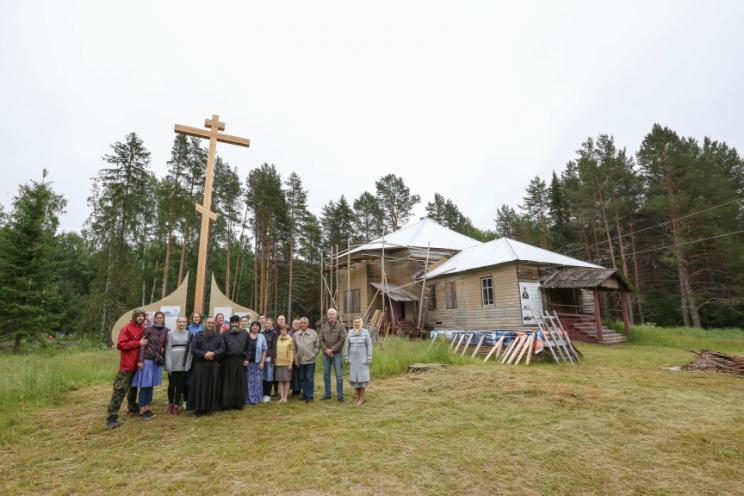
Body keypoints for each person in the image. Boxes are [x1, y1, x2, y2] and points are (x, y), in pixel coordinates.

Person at [106, 309, 147, 429]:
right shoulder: (126, 328)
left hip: (138, 365)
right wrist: (138, 343)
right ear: (134, 317)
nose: (140, 318)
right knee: (120, 390)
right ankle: (111, 416)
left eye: (142, 316)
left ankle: (132, 407)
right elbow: (121, 345)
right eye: (138, 316)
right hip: (127, 365)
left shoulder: (142, 329)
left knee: (133, 387)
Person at [131, 311, 169, 419]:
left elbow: (164, 346)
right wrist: (140, 361)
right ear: (154, 319)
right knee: (145, 385)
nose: (159, 319)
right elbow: (142, 346)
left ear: (163, 319)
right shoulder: (148, 329)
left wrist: (163, 358)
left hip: (156, 361)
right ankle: (141, 410)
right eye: (158, 318)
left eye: (161, 318)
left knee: (151, 385)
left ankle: (147, 408)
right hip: (147, 360)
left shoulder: (165, 330)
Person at [190, 317, 225, 416]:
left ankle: (209, 408)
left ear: (215, 325)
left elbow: (222, 348)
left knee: (211, 385)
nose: (210, 324)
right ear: (205, 324)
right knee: (199, 386)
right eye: (209, 323)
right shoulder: (198, 335)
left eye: (212, 323)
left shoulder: (219, 336)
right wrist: (204, 354)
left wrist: (213, 353)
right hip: (200, 364)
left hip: (213, 364)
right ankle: (199, 408)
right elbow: (193, 349)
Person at [220, 315, 249, 410]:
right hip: (228, 361)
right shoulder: (225, 334)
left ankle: (238, 404)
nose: (234, 324)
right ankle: (227, 404)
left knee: (239, 382)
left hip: (241, 361)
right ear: (230, 323)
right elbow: (222, 348)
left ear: (239, 323)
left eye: (236, 322)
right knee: (228, 383)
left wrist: (247, 359)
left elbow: (249, 348)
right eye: (232, 323)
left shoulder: (245, 333)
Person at [165, 316, 192, 415]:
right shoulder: (170, 334)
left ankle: (176, 405)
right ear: (177, 322)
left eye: (184, 322)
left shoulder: (189, 334)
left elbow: (190, 351)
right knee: (171, 385)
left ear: (186, 323)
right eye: (180, 321)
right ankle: (170, 404)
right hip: (172, 364)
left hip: (183, 365)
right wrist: (168, 364)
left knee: (180, 385)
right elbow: (168, 350)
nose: (181, 323)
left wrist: (187, 364)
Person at [344, 316, 373, 406]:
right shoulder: (350, 332)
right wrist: (347, 357)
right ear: (353, 323)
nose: (356, 323)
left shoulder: (365, 332)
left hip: (363, 360)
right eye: (355, 322)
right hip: (353, 360)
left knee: (362, 379)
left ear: (361, 323)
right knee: (355, 379)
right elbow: (347, 346)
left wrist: (369, 357)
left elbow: (369, 345)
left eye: (358, 322)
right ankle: (357, 398)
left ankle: (361, 399)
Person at [319, 308, 347, 402]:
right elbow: (321, 339)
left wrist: (332, 350)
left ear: (336, 315)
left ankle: (340, 395)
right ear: (327, 315)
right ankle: (327, 394)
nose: (331, 316)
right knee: (326, 375)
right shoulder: (323, 326)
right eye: (329, 314)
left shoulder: (340, 326)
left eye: (333, 314)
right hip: (326, 354)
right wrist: (326, 350)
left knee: (339, 376)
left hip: (337, 354)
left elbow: (342, 339)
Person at [294, 317, 319, 403]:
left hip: (310, 360)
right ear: (300, 324)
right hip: (300, 360)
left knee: (309, 378)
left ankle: (310, 396)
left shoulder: (313, 333)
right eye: (301, 323)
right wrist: (295, 357)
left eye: (305, 323)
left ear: (308, 324)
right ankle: (304, 395)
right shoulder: (296, 334)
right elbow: (294, 347)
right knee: (302, 378)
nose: (303, 324)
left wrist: (314, 354)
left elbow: (317, 345)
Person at [245, 321, 267, 405]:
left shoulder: (262, 336)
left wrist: (262, 362)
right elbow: (244, 349)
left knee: (257, 382)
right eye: (253, 326)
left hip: (257, 363)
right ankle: (248, 399)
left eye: (257, 326)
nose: (255, 327)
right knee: (248, 382)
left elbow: (264, 350)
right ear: (251, 327)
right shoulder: (247, 336)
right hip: (248, 363)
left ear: (259, 328)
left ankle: (256, 399)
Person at [274, 322, 294, 403]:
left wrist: (290, 363)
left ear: (287, 331)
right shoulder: (278, 338)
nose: (283, 331)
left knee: (287, 380)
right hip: (278, 363)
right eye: (281, 330)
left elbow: (291, 352)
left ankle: (285, 397)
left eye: (284, 330)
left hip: (286, 363)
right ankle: (281, 397)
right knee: (280, 381)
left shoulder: (290, 339)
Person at [261, 318, 278, 402]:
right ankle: (263, 394)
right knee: (263, 376)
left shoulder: (274, 333)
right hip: (262, 358)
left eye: (269, 323)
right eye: (266, 323)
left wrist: (273, 359)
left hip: (270, 358)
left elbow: (274, 347)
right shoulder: (262, 333)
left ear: (272, 324)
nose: (268, 324)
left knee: (269, 376)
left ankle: (268, 395)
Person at [289, 318, 302, 396]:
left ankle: (299, 389)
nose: (296, 325)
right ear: (292, 325)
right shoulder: (289, 333)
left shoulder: (301, 332)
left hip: (300, 356)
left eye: (297, 324)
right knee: (293, 375)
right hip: (291, 357)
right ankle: (294, 389)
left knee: (300, 374)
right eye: (294, 324)